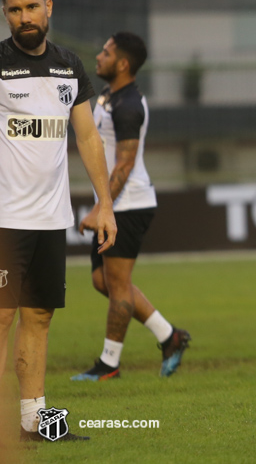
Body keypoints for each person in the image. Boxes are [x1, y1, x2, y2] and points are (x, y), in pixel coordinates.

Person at [0, 0, 117, 442]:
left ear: (49, 8)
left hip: (50, 219)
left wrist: (105, 202)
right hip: (3, 220)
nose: (23, 17)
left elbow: (87, 135)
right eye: (13, 10)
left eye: (31, 7)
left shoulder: (70, 65)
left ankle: (34, 422)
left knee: (39, 317)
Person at [71, 33, 191, 382]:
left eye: (106, 52)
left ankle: (109, 364)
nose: (99, 55)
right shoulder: (110, 95)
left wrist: (101, 208)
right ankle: (170, 336)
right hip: (112, 203)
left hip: (128, 203)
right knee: (101, 280)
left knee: (118, 284)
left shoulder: (130, 106)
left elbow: (123, 165)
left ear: (123, 63)